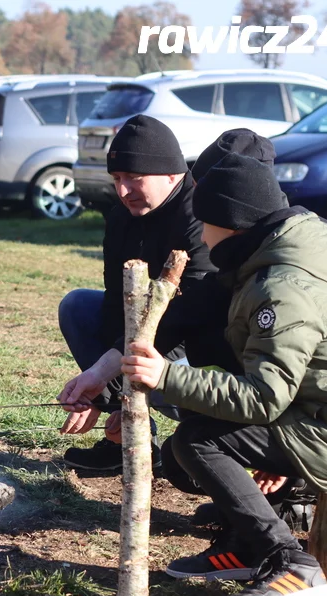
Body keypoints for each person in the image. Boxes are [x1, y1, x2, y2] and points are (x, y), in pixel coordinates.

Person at [122, 153, 327, 596]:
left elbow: (264, 397)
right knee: (191, 436)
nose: (201, 235)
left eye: (205, 223)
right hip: (319, 415)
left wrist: (166, 376)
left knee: (198, 442)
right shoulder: (265, 269)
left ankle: (291, 563)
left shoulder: (280, 288)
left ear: (231, 225)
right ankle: (247, 548)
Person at [58, 114, 237, 472]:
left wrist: (105, 377)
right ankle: (129, 437)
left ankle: (216, 448)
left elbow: (190, 318)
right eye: (117, 179)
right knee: (78, 306)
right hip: (147, 337)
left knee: (170, 355)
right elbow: (115, 304)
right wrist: (106, 391)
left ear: (173, 175)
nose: (123, 191)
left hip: (204, 347)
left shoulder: (201, 217)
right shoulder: (120, 218)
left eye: (134, 179)